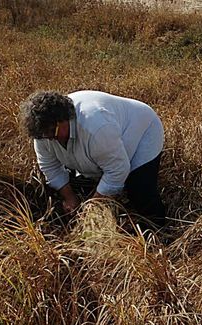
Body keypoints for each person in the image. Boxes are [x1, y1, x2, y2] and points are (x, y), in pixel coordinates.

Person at [18, 90, 165, 227]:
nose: (50, 139)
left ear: (64, 119)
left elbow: (118, 169)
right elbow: (50, 167)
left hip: (143, 129)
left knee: (139, 189)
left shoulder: (96, 127)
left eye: (53, 133)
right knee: (84, 183)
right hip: (108, 141)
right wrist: (70, 197)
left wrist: (93, 206)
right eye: (44, 136)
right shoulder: (43, 132)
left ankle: (159, 232)